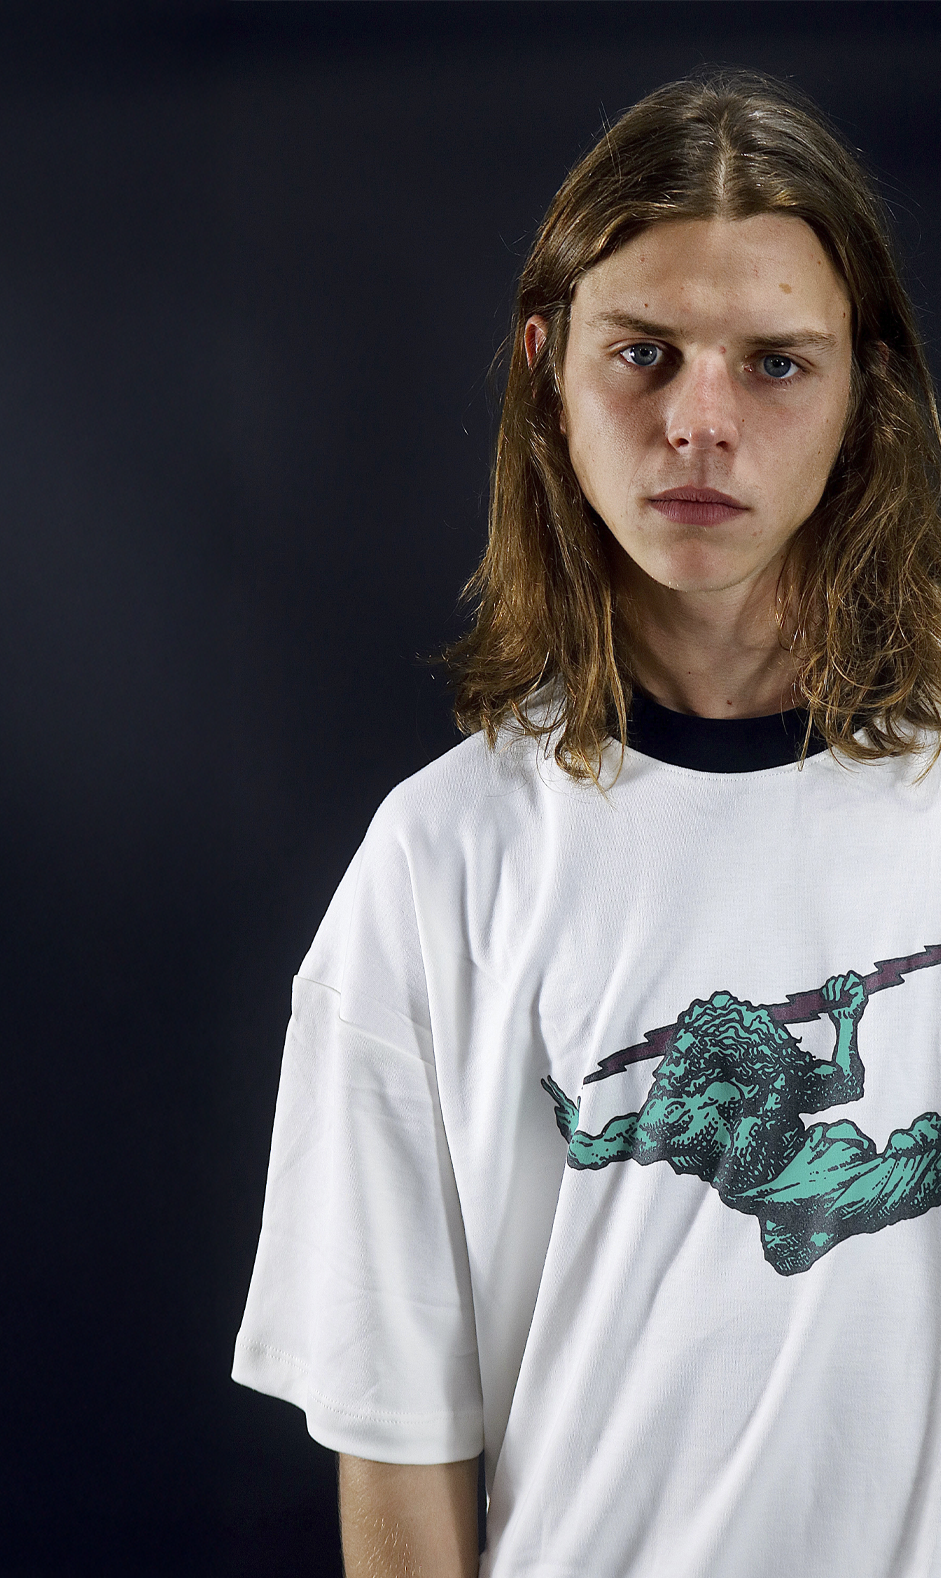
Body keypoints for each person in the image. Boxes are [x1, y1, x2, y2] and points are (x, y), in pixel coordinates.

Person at [232, 71, 941, 1577]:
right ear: (549, 366)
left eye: (775, 364)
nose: (700, 424)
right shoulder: (440, 866)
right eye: (644, 354)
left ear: (863, 389)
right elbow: (399, 1451)